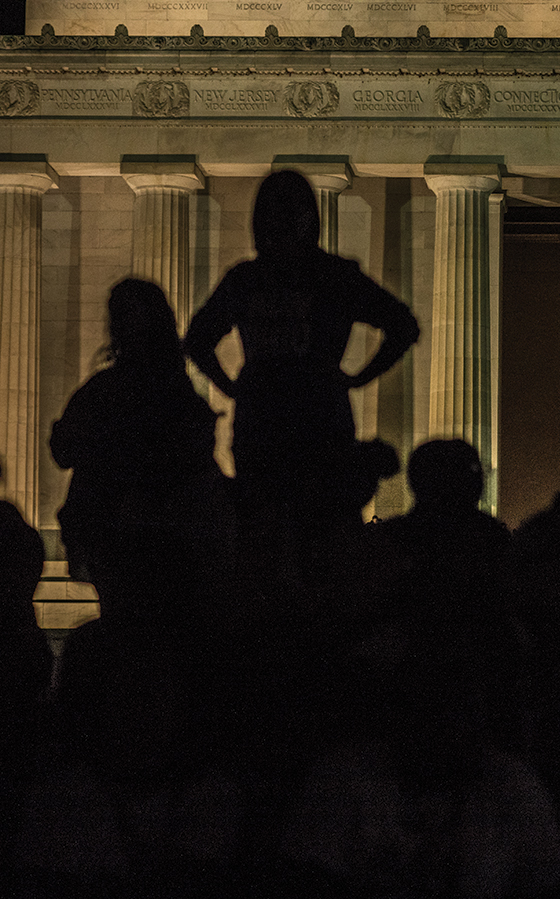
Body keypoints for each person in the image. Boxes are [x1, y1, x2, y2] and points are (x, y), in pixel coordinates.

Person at [184, 169, 420, 529]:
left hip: (266, 412)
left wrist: (232, 387)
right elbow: (403, 326)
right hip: (317, 407)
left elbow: (197, 339)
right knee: (322, 526)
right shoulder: (333, 276)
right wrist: (356, 379)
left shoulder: (248, 280)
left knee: (266, 525)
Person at [50, 278, 228, 617]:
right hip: (153, 533)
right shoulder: (172, 393)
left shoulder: (111, 390)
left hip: (130, 530)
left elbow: (63, 449)